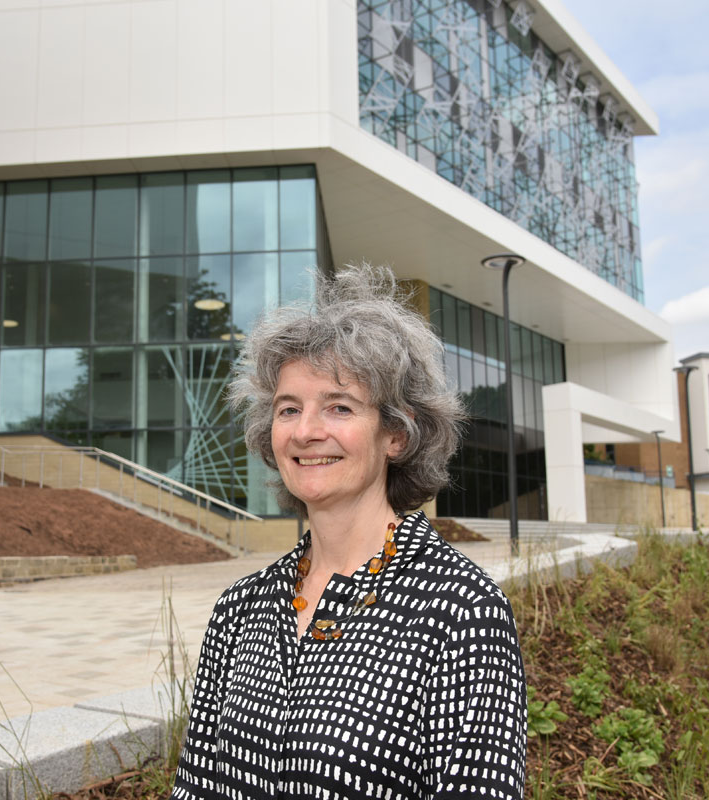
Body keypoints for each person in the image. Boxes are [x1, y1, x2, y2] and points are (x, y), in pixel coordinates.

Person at [171, 264, 526, 800]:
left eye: (339, 407)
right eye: (289, 409)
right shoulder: (239, 610)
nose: (308, 431)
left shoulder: (461, 612)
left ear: (397, 435)